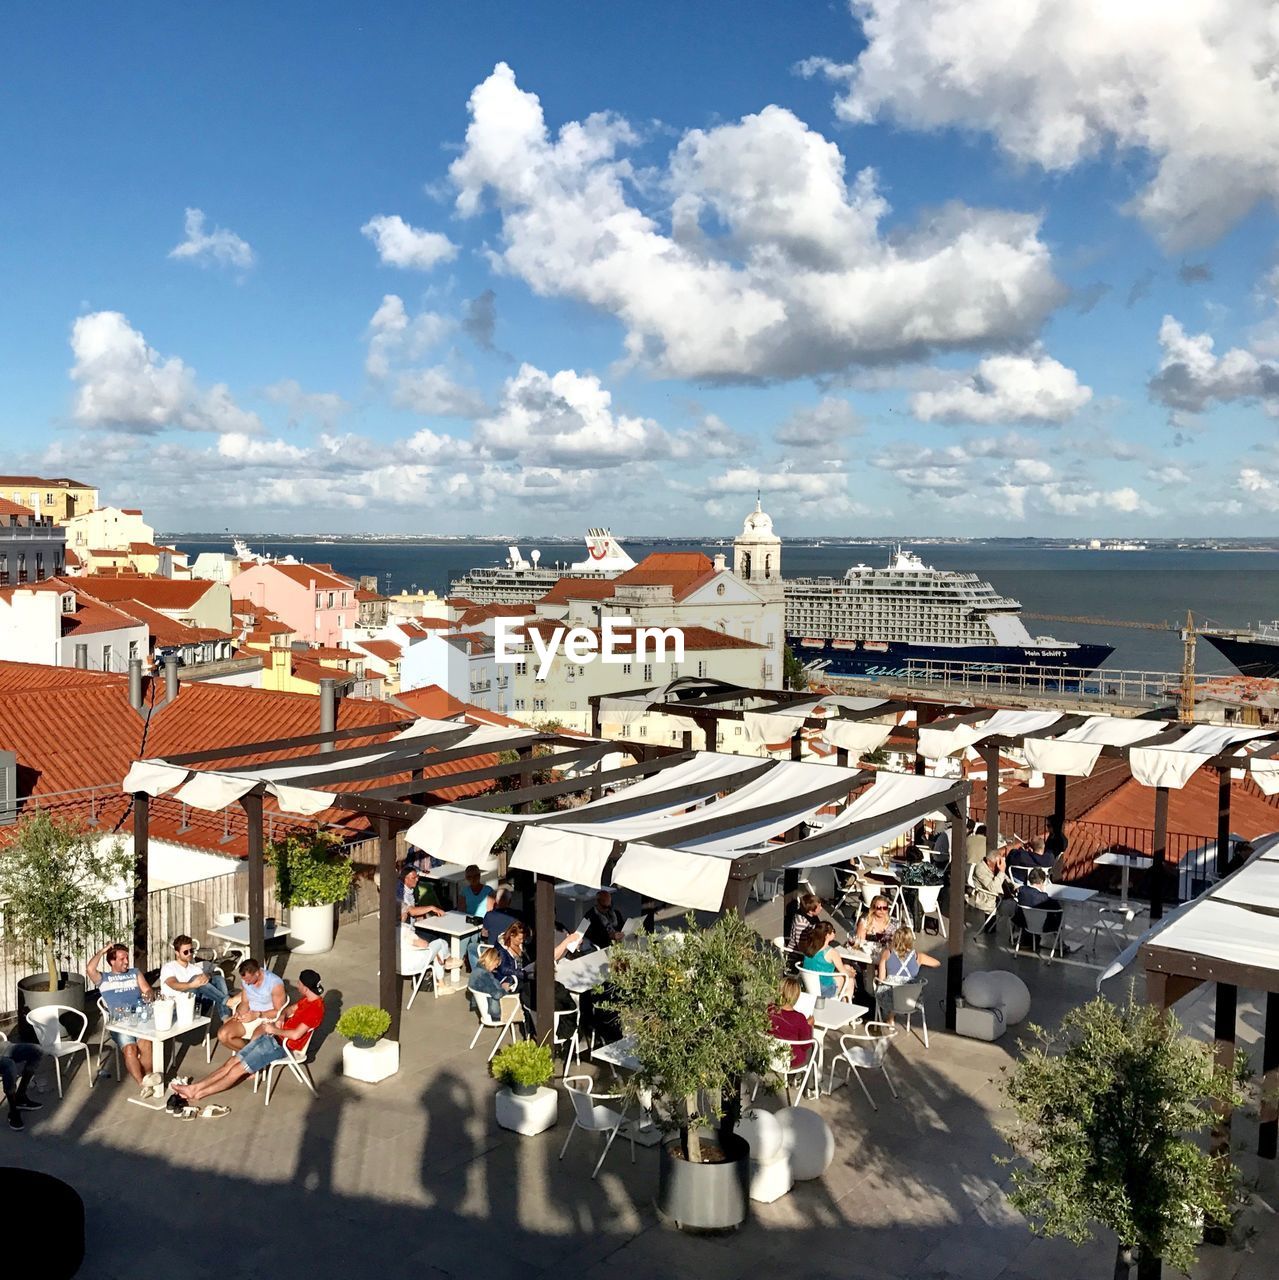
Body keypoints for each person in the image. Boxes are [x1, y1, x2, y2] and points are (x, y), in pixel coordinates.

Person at [171, 970, 325, 1113]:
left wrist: (274, 1030)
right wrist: (283, 1016)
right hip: (271, 1038)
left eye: (299, 984)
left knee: (237, 1070)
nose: (297, 985)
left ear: (305, 987)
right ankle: (194, 1088)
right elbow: (289, 1009)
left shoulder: (315, 1010)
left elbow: (296, 1035)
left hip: (280, 1046)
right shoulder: (308, 999)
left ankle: (199, 1093)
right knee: (231, 1061)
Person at [87, 943, 157, 1093]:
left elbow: (147, 990)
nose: (126, 962)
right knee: (130, 1049)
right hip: (120, 1023)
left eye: (127, 958)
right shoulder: (103, 979)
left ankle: (149, 1076)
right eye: (122, 959)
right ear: (112, 961)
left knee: (146, 1044)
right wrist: (103, 951)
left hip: (140, 1017)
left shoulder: (135, 973)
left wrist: (148, 995)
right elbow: (90, 969)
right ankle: (143, 1085)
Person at [217, 958, 287, 1052]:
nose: (246, 983)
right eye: (244, 980)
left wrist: (258, 1015)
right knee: (223, 1035)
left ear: (257, 973)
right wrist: (239, 1013)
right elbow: (245, 1002)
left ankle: (250, 1060)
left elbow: (279, 1011)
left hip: (267, 1018)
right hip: (250, 1014)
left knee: (255, 1041)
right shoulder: (246, 980)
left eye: (248, 979)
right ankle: (251, 1058)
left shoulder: (274, 983)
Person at [874, 926, 940, 1024]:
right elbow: (937, 963)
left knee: (891, 989)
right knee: (904, 988)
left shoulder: (887, 953)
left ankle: (890, 1017)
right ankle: (892, 1016)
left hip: (890, 1000)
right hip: (912, 1000)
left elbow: (881, 979)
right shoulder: (918, 956)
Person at [159, 934, 232, 1017]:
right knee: (197, 980)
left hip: (194, 1002)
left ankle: (225, 1017)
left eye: (191, 950)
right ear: (177, 953)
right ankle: (228, 1001)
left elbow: (205, 982)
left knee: (218, 979)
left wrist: (207, 976)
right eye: (186, 952)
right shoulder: (169, 967)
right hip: (175, 1006)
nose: (189, 954)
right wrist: (192, 985)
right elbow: (173, 984)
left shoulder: (195, 969)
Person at [798, 923, 856, 1000]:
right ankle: (846, 1005)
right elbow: (844, 973)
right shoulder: (832, 952)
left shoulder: (808, 947)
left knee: (847, 967)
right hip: (824, 990)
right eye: (833, 931)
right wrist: (852, 973)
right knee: (850, 980)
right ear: (827, 936)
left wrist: (848, 969)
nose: (834, 933)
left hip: (808, 986)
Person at [466, 884, 518, 969]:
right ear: (509, 901)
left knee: (471, 947)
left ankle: (479, 974)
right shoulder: (516, 916)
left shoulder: (489, 915)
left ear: (496, 901)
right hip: (510, 952)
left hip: (493, 952)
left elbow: (484, 934)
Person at [768, 976, 814, 1069]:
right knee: (812, 1049)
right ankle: (799, 1080)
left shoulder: (770, 1010)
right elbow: (805, 1045)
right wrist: (808, 1025)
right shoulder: (799, 1018)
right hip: (791, 1059)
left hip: (770, 1056)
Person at [1, 1038, 43, 1132]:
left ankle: (20, 1096)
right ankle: (13, 1110)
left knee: (36, 1050)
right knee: (9, 1065)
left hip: (3, 1047)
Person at [969, 849, 1018, 928]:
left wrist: (1014, 886)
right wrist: (1001, 871)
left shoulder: (995, 867)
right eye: (996, 865)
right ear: (988, 862)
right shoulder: (980, 869)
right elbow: (993, 888)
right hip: (989, 898)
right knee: (1017, 908)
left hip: (1001, 896)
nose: (998, 867)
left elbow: (1006, 878)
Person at [467, 945, 512, 1020]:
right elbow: (496, 994)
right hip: (494, 1011)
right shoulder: (485, 975)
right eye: (496, 964)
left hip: (483, 1008)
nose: (496, 967)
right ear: (491, 961)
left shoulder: (476, 970)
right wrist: (504, 989)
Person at [494, 921, 528, 989]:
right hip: (510, 979)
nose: (522, 941)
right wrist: (523, 973)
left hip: (523, 973)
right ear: (512, 935)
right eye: (520, 939)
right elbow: (504, 969)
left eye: (523, 939)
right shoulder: (502, 949)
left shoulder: (522, 945)